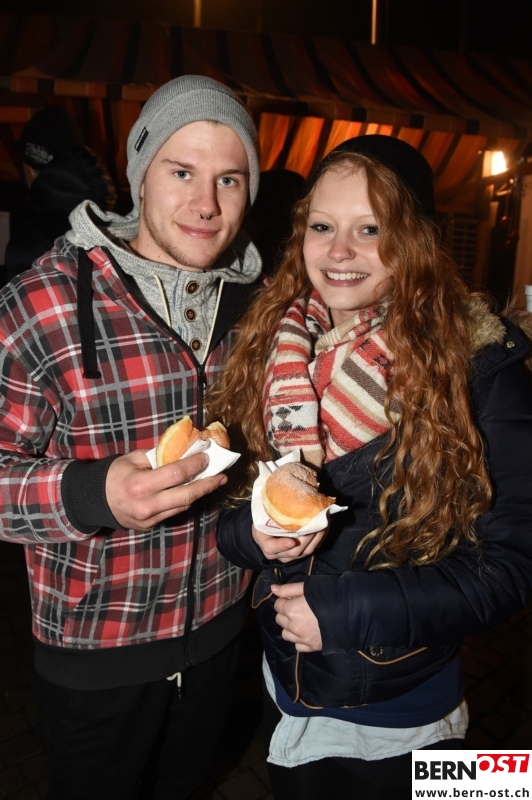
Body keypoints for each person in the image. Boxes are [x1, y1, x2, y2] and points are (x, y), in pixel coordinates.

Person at [209, 135, 532, 799]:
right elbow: (232, 517)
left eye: (371, 228)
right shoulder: (274, 350)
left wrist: (345, 612)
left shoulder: (481, 369)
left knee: (487, 790)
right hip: (289, 690)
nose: (339, 251)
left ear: (415, 241)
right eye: (323, 226)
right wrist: (259, 533)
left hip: (407, 717)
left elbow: (511, 568)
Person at [0, 75, 262, 800]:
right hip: (97, 658)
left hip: (219, 638)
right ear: (140, 174)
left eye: (229, 179)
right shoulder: (43, 302)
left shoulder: (260, 310)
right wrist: (92, 494)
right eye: (182, 172)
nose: (206, 203)